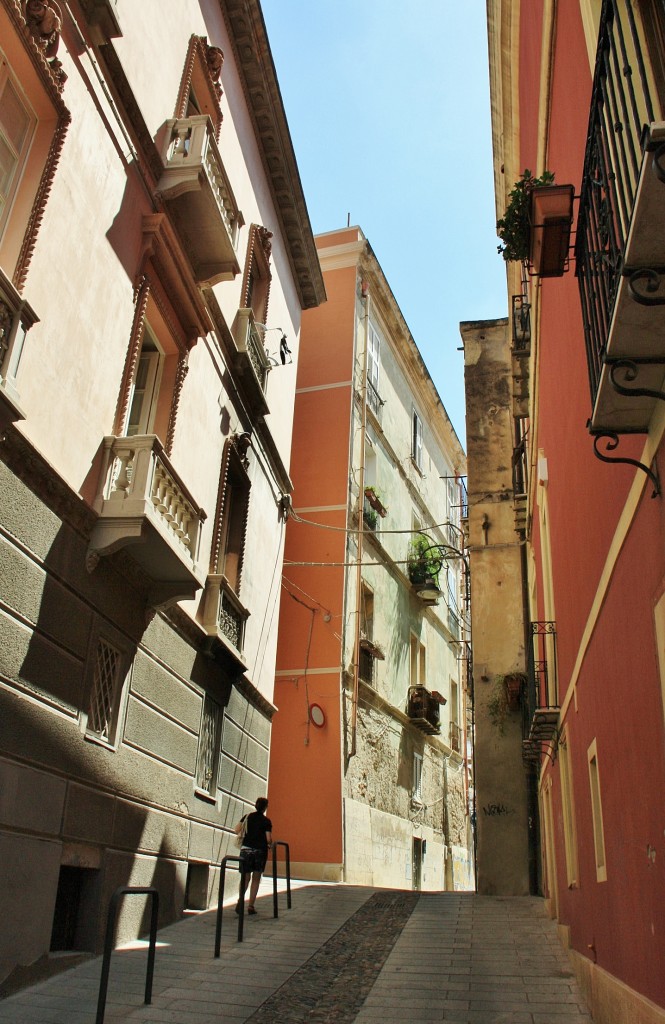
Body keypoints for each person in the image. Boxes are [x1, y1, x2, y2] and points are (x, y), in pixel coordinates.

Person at [236, 796, 272, 915]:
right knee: (256, 878)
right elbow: (268, 839)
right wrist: (270, 844)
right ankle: (251, 905)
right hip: (259, 852)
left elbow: (237, 829)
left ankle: (241, 899)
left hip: (246, 850)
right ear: (265, 807)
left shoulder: (247, 817)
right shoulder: (266, 821)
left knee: (245, 877)